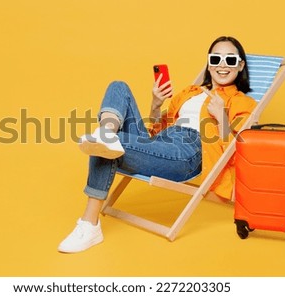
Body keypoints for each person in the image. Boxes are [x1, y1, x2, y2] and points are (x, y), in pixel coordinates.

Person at [58, 36, 257, 253]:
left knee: (105, 142)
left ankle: (89, 224)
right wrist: (156, 105)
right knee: (118, 88)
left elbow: (239, 153)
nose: (222, 65)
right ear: (209, 63)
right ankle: (106, 133)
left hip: (187, 152)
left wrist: (222, 117)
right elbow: (155, 130)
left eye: (230, 60)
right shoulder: (190, 93)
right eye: (216, 58)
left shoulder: (242, 102)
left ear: (240, 65)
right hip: (160, 143)